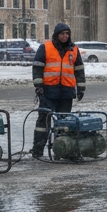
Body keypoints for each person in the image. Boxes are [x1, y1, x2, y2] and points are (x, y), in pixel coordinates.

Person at [31, 23, 87, 159]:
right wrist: (38, 86)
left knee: (64, 123)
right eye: (62, 34)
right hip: (48, 91)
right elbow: (37, 67)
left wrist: (81, 88)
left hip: (66, 91)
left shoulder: (73, 49)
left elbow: (79, 69)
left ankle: (61, 150)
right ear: (57, 35)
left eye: (67, 33)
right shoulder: (45, 47)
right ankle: (38, 150)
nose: (65, 36)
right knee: (43, 122)